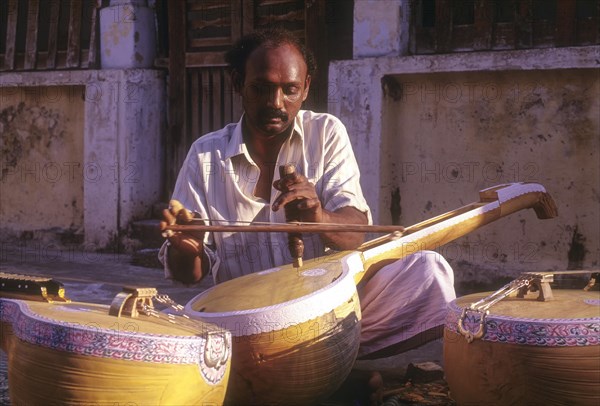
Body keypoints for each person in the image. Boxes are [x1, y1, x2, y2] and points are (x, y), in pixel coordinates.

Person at [160, 27, 455, 404]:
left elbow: (356, 233)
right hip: (248, 328)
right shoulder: (206, 156)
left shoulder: (326, 133)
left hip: (323, 316)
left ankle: (319, 368)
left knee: (427, 270)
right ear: (238, 82)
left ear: (306, 87)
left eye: (289, 90)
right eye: (261, 88)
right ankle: (325, 377)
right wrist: (188, 246)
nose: (276, 102)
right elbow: (189, 275)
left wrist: (320, 216)